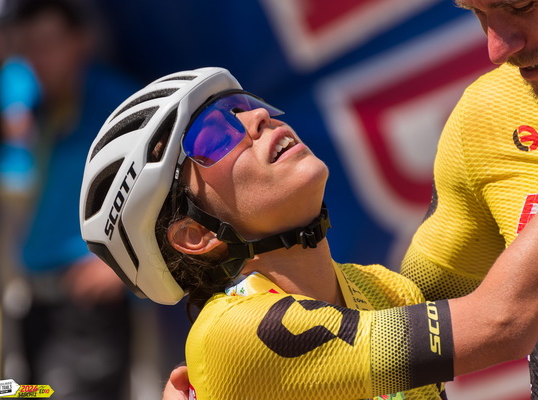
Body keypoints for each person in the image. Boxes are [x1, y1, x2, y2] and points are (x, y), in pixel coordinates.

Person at [80, 66, 538, 400]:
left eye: (242, 105)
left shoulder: (380, 288)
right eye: (212, 136)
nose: (256, 120)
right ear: (196, 234)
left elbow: (484, 289)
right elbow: (504, 321)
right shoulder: (230, 336)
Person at [0, 0, 137, 398]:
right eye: (27, 48)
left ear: (81, 41)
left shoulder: (119, 105)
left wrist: (121, 265)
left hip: (88, 307)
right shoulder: (34, 106)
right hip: (37, 302)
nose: (37, 59)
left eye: (47, 44)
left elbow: (167, 190)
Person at [398, 0, 538, 397]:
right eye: (477, 12)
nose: (497, 49)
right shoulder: (486, 112)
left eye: (521, 5)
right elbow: (414, 310)